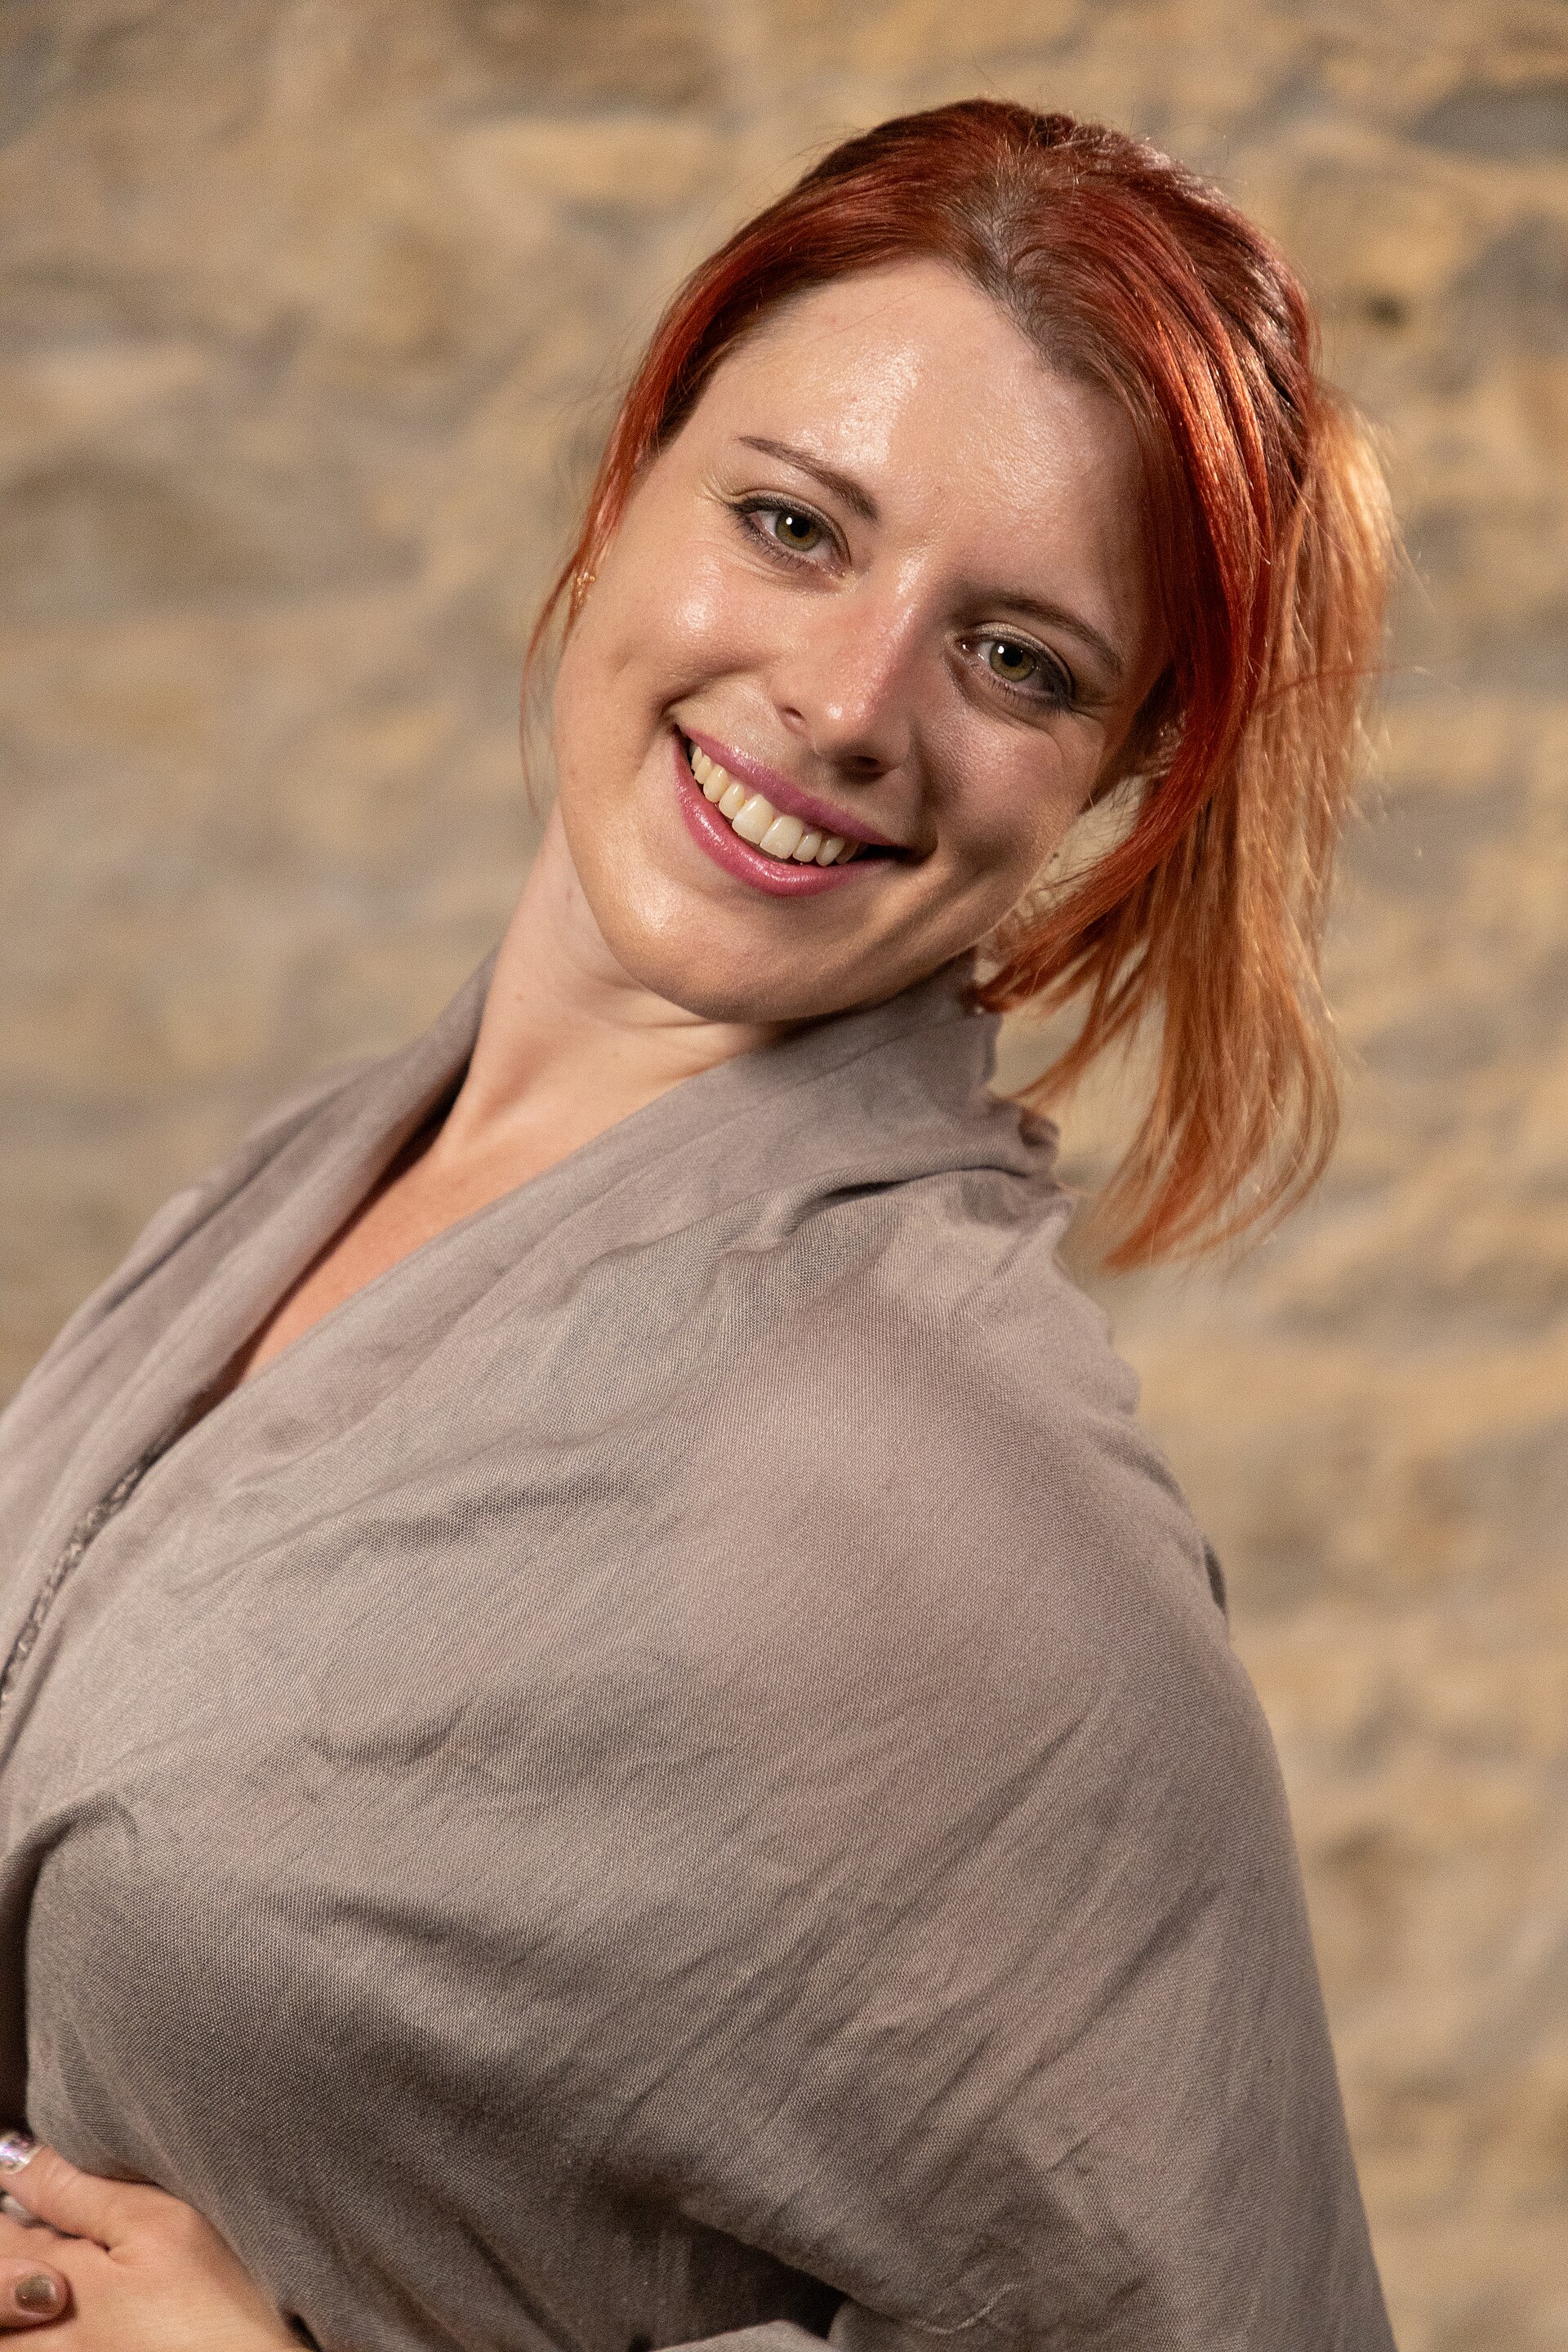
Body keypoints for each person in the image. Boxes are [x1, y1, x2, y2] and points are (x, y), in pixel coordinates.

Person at [0, 98, 1396, 2352]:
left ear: (1114, 776)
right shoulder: (324, 1175)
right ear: (627, 480)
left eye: (1017, 660)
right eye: (790, 524)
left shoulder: (954, 1491)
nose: (849, 704)